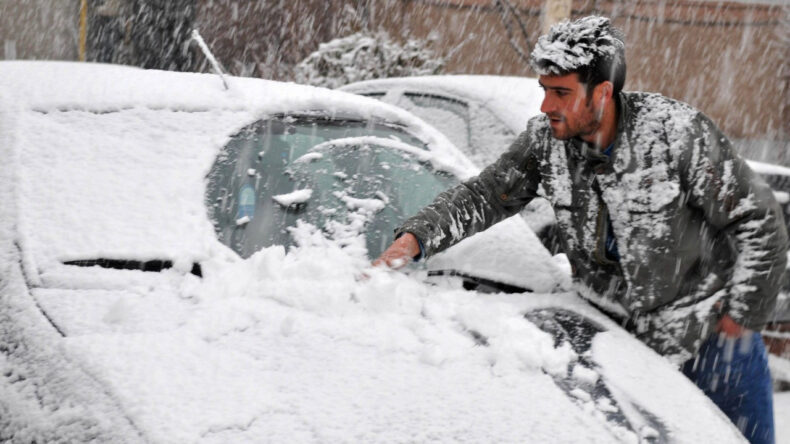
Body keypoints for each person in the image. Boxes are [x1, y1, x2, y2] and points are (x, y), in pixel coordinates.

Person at [373, 16, 786, 444]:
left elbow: (759, 220)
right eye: (544, 91)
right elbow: (486, 195)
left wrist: (742, 315)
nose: (545, 106)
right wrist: (416, 238)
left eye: (561, 93)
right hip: (624, 348)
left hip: (711, 341)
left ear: (603, 92)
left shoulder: (675, 135)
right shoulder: (545, 143)